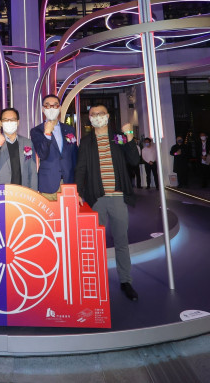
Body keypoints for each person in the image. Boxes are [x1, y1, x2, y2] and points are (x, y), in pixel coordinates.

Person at [74, 104, 139, 301]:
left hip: (118, 197)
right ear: (89, 118)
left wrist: (129, 137)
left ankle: (125, 281)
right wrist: (78, 191)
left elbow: (134, 160)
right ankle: (95, 281)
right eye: (93, 114)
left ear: (108, 116)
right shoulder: (86, 142)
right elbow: (81, 168)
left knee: (121, 241)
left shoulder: (118, 137)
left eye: (101, 113)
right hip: (96, 198)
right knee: (94, 243)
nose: (97, 117)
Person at [30, 94, 78, 201]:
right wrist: (47, 133)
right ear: (43, 109)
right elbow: (42, 154)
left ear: (59, 108)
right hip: (48, 183)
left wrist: (77, 183)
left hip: (68, 182)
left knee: (67, 211)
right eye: (47, 105)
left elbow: (74, 156)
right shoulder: (36, 131)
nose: (51, 108)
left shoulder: (69, 129)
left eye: (55, 105)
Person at [0, 107, 38, 190]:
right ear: (1, 123)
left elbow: (32, 170)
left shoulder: (27, 142)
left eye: (13, 119)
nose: (9, 122)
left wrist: (34, 191)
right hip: (2, 190)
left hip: (23, 190)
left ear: (18, 122)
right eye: (6, 120)